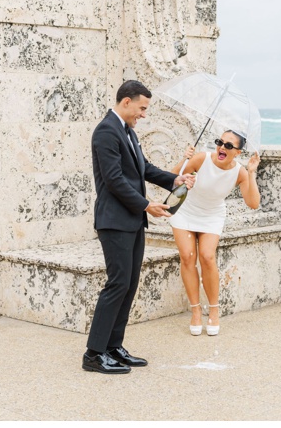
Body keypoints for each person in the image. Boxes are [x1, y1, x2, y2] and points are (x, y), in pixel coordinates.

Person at [85, 80, 180, 375]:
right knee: (117, 284)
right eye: (142, 108)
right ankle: (94, 354)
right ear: (126, 102)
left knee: (129, 285)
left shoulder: (128, 132)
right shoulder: (106, 131)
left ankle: (114, 347)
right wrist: (145, 205)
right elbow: (114, 180)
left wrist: (173, 181)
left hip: (132, 221)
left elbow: (144, 169)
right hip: (114, 221)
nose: (144, 114)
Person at [170, 132, 262, 335]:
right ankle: (195, 312)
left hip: (211, 215)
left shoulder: (240, 172)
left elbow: (253, 203)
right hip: (186, 211)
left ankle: (213, 311)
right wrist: (185, 159)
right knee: (187, 256)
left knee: (207, 256)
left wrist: (252, 172)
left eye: (228, 146)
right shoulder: (201, 158)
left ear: (237, 152)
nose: (222, 147)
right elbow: (172, 179)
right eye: (220, 143)